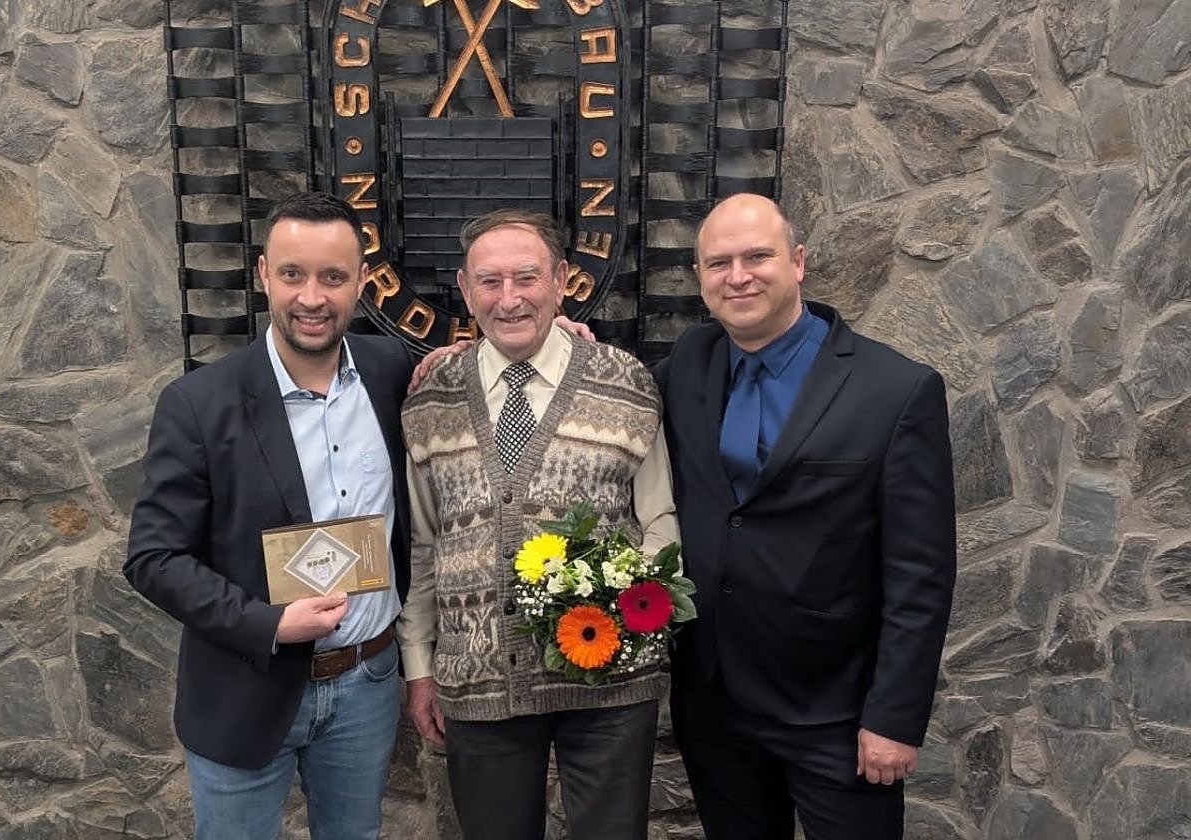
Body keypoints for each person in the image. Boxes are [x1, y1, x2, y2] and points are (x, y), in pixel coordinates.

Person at [657, 193, 956, 839]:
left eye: (757, 257)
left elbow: (921, 575)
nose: (738, 276)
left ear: (797, 263)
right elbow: (607, 391)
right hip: (714, 702)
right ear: (700, 278)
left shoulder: (895, 390)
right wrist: (560, 342)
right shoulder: (687, 365)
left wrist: (894, 718)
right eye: (719, 263)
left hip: (836, 713)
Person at [124, 192, 414, 840]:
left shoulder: (391, 370)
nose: (312, 297)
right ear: (263, 274)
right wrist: (269, 624)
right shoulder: (198, 404)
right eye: (292, 274)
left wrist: (564, 333)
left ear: (362, 281)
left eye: (333, 276)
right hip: (245, 685)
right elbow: (153, 558)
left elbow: (480, 370)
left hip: (367, 680)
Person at [396, 208, 680, 840]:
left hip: (609, 681)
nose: (509, 299)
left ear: (560, 281)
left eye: (526, 277)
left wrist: (633, 618)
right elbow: (422, 542)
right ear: (465, 290)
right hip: (479, 680)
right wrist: (419, 665)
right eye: (489, 281)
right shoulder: (431, 396)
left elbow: (659, 518)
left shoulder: (625, 381)